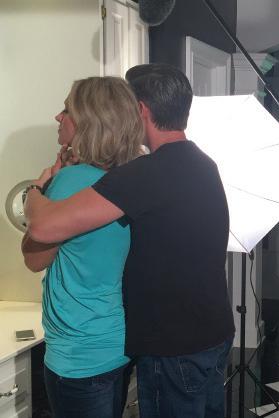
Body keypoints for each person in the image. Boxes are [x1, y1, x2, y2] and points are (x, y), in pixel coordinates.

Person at [24, 63, 235, 418]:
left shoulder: (146, 173)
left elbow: (43, 228)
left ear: (139, 109)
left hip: (173, 345)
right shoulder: (202, 162)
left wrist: (34, 188)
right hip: (213, 331)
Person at [21, 76, 144, 418]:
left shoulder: (70, 181)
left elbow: (33, 257)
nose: (58, 117)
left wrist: (38, 187)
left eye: (67, 110)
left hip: (77, 353)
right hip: (117, 341)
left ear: (89, 121)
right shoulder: (130, 177)